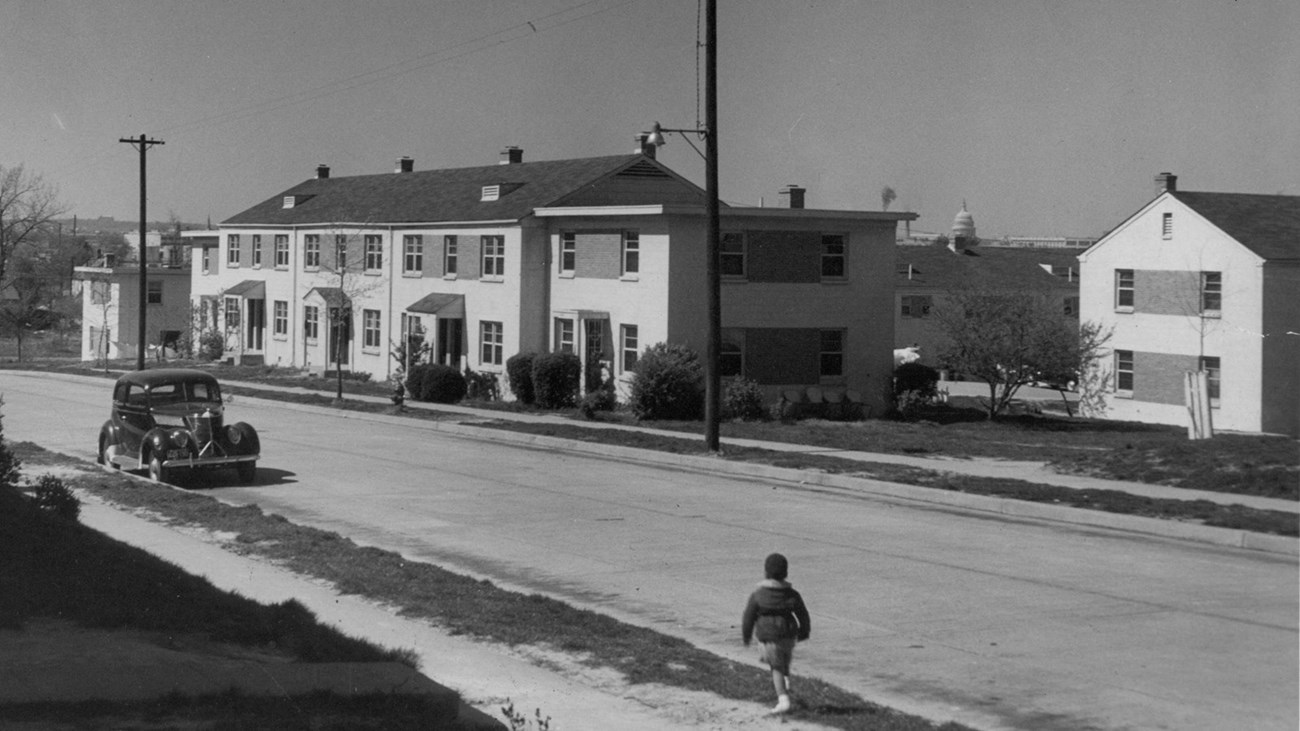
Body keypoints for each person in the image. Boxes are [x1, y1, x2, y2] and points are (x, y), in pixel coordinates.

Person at [741, 552, 811, 715]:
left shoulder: (759, 594)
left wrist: (746, 635)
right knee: (784, 660)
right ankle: (785, 683)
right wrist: (804, 631)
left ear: (766, 572)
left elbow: (748, 617)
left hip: (769, 636)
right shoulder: (792, 594)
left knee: (776, 667)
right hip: (788, 635)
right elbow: (802, 613)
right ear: (785, 573)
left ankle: (783, 699)